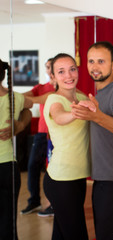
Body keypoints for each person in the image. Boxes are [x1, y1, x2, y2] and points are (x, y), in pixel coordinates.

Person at [71, 41, 113, 240]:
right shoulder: (100, 94)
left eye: (101, 61)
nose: (95, 66)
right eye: (91, 61)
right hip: (103, 180)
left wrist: (96, 116)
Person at [43, 53, 90, 239]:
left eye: (72, 69)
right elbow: (60, 116)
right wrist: (77, 112)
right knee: (77, 234)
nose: (68, 75)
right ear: (53, 77)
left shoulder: (81, 97)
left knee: (62, 234)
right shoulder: (54, 100)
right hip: (61, 179)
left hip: (78, 177)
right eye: (61, 72)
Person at [0, 59, 32, 240]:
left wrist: (19, 126)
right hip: (8, 169)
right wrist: (20, 125)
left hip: (7, 168)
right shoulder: (16, 98)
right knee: (8, 222)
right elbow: (29, 108)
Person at [21, 58, 55, 217]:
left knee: (53, 170)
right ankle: (34, 201)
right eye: (47, 67)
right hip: (42, 133)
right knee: (33, 166)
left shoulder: (63, 87)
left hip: (57, 134)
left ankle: (54, 204)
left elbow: (48, 98)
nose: (49, 70)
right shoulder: (41, 87)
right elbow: (24, 96)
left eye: (51, 67)